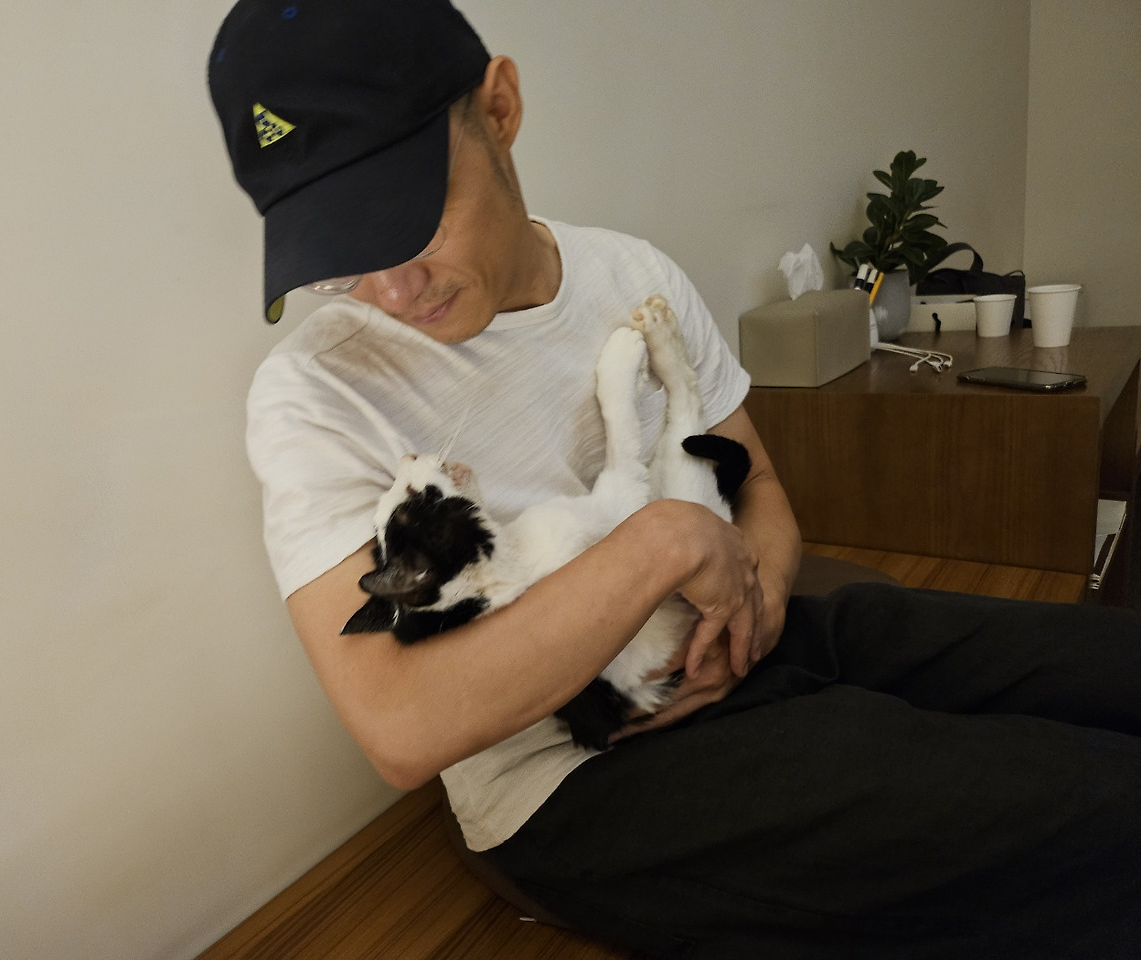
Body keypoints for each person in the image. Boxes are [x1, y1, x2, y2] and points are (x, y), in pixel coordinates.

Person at [207, 3, 1141, 957]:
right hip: (580, 764)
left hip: (749, 636)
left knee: (1090, 660)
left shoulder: (629, 271)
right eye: (340, 260)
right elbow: (398, 729)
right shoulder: (316, 393)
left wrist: (756, 605)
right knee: (1089, 812)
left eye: (408, 220)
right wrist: (663, 544)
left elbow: (759, 486)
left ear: (500, 109)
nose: (394, 289)